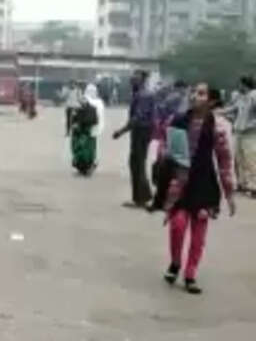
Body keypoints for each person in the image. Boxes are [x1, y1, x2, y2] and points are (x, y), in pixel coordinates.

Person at [156, 83, 236, 295]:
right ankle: (175, 263)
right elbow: (165, 147)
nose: (195, 96)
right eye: (195, 92)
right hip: (181, 181)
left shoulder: (218, 127)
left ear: (211, 101)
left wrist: (229, 194)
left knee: (198, 234)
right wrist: (165, 155)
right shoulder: (178, 120)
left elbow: (224, 161)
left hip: (204, 184)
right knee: (178, 226)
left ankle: (191, 274)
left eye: (201, 93)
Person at [112, 70, 155, 208]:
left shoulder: (143, 95)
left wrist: (121, 131)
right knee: (137, 163)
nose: (132, 81)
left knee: (137, 164)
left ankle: (141, 198)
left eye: (135, 79)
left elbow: (137, 118)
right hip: (143, 131)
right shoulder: (141, 94)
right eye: (132, 79)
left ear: (142, 80)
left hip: (141, 131)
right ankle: (141, 196)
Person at [221, 75, 256, 198]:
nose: (238, 86)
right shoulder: (241, 97)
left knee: (250, 160)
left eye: (240, 84)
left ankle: (254, 186)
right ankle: (243, 184)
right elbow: (232, 109)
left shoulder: (254, 95)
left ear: (245, 84)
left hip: (250, 133)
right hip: (239, 132)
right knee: (239, 159)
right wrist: (217, 111)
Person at [71, 84, 105, 176]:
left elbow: (76, 114)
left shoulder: (88, 101)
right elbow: (100, 118)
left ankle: (84, 166)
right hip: (90, 129)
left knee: (83, 148)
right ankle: (87, 165)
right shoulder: (99, 102)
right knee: (90, 149)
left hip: (84, 129)